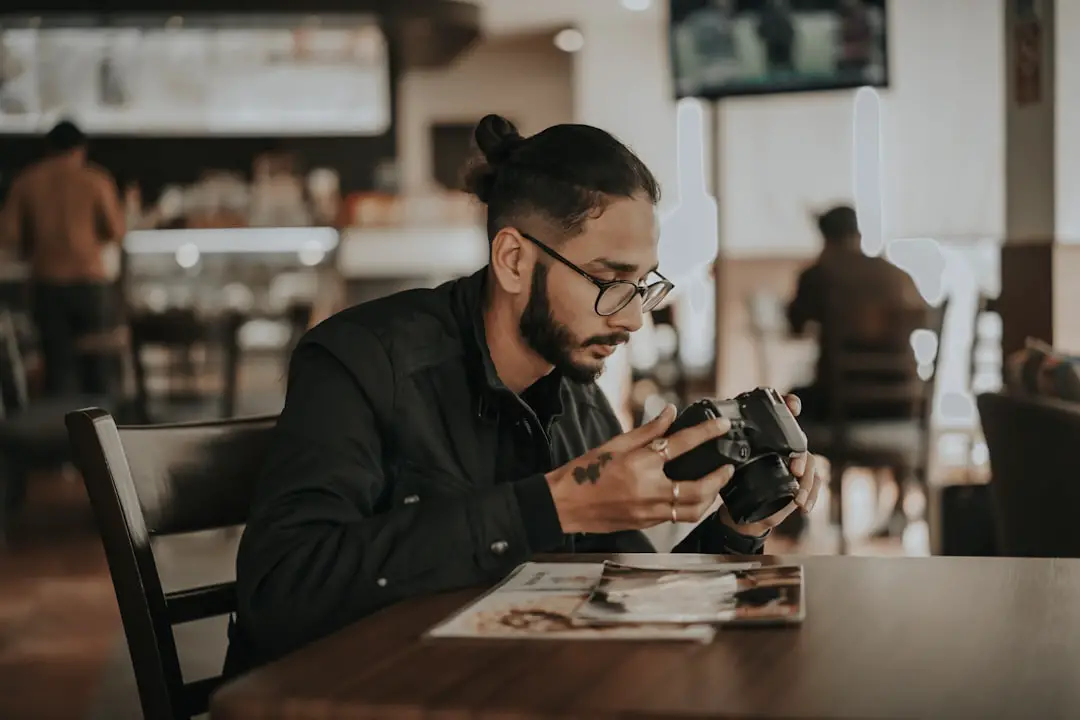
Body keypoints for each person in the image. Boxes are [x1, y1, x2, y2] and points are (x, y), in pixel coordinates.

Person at [224, 114, 825, 675]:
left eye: (643, 286)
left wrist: (737, 527)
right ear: (513, 259)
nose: (634, 319)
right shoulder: (361, 361)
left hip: (495, 691)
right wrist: (553, 506)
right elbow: (280, 594)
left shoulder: (577, 394)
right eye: (611, 281)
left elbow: (630, 592)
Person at [0, 120, 125, 396]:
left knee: (58, 368)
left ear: (48, 148)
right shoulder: (95, 180)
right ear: (81, 149)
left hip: (48, 284)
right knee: (98, 368)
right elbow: (117, 231)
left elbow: (8, 235)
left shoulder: (27, 181)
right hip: (91, 283)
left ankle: (62, 434)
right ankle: (103, 432)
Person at [786, 204, 927, 422]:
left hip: (840, 406)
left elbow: (795, 327)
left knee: (789, 406)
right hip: (905, 403)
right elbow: (924, 318)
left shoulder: (818, 275)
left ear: (825, 239)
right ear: (859, 235)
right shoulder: (897, 275)